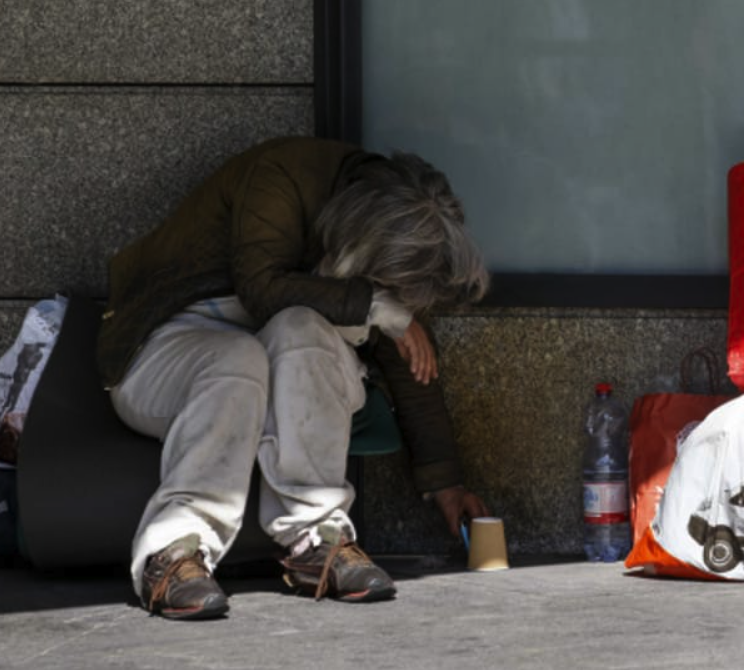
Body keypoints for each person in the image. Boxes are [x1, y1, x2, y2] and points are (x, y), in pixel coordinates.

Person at [96, 137, 491, 620]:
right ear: (359, 246)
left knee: (302, 327)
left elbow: (411, 359)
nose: (388, 302)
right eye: (381, 288)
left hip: (274, 366)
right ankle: (173, 551)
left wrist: (445, 481)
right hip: (164, 355)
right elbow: (262, 287)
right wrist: (373, 305)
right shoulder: (279, 178)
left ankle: (318, 540)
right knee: (237, 357)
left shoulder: (387, 232)